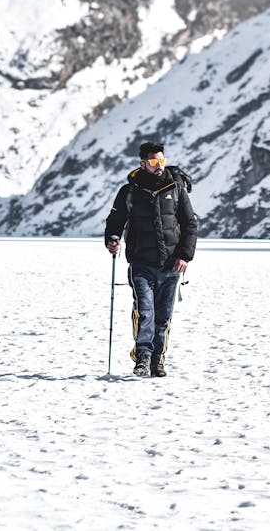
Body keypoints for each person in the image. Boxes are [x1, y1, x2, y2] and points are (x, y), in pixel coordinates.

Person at [105, 141, 198, 377]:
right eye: (154, 161)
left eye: (162, 160)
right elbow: (115, 221)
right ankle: (143, 358)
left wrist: (185, 256)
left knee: (163, 316)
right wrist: (113, 239)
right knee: (145, 311)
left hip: (171, 264)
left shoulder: (176, 188)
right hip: (141, 263)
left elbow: (190, 224)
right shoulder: (130, 192)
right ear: (143, 163)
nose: (159, 166)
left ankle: (158, 360)